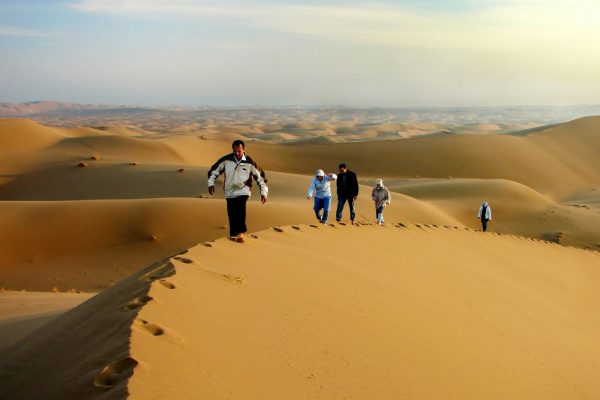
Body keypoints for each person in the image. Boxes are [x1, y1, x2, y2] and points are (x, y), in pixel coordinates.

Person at [207, 140, 268, 242]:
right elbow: (214, 171)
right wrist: (211, 183)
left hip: (243, 190)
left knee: (240, 208)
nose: (237, 153)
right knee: (232, 213)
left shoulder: (249, 162)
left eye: (239, 151)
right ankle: (233, 234)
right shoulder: (226, 160)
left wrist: (264, 192)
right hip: (229, 191)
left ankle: (240, 233)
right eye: (235, 151)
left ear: (243, 150)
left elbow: (261, 178)